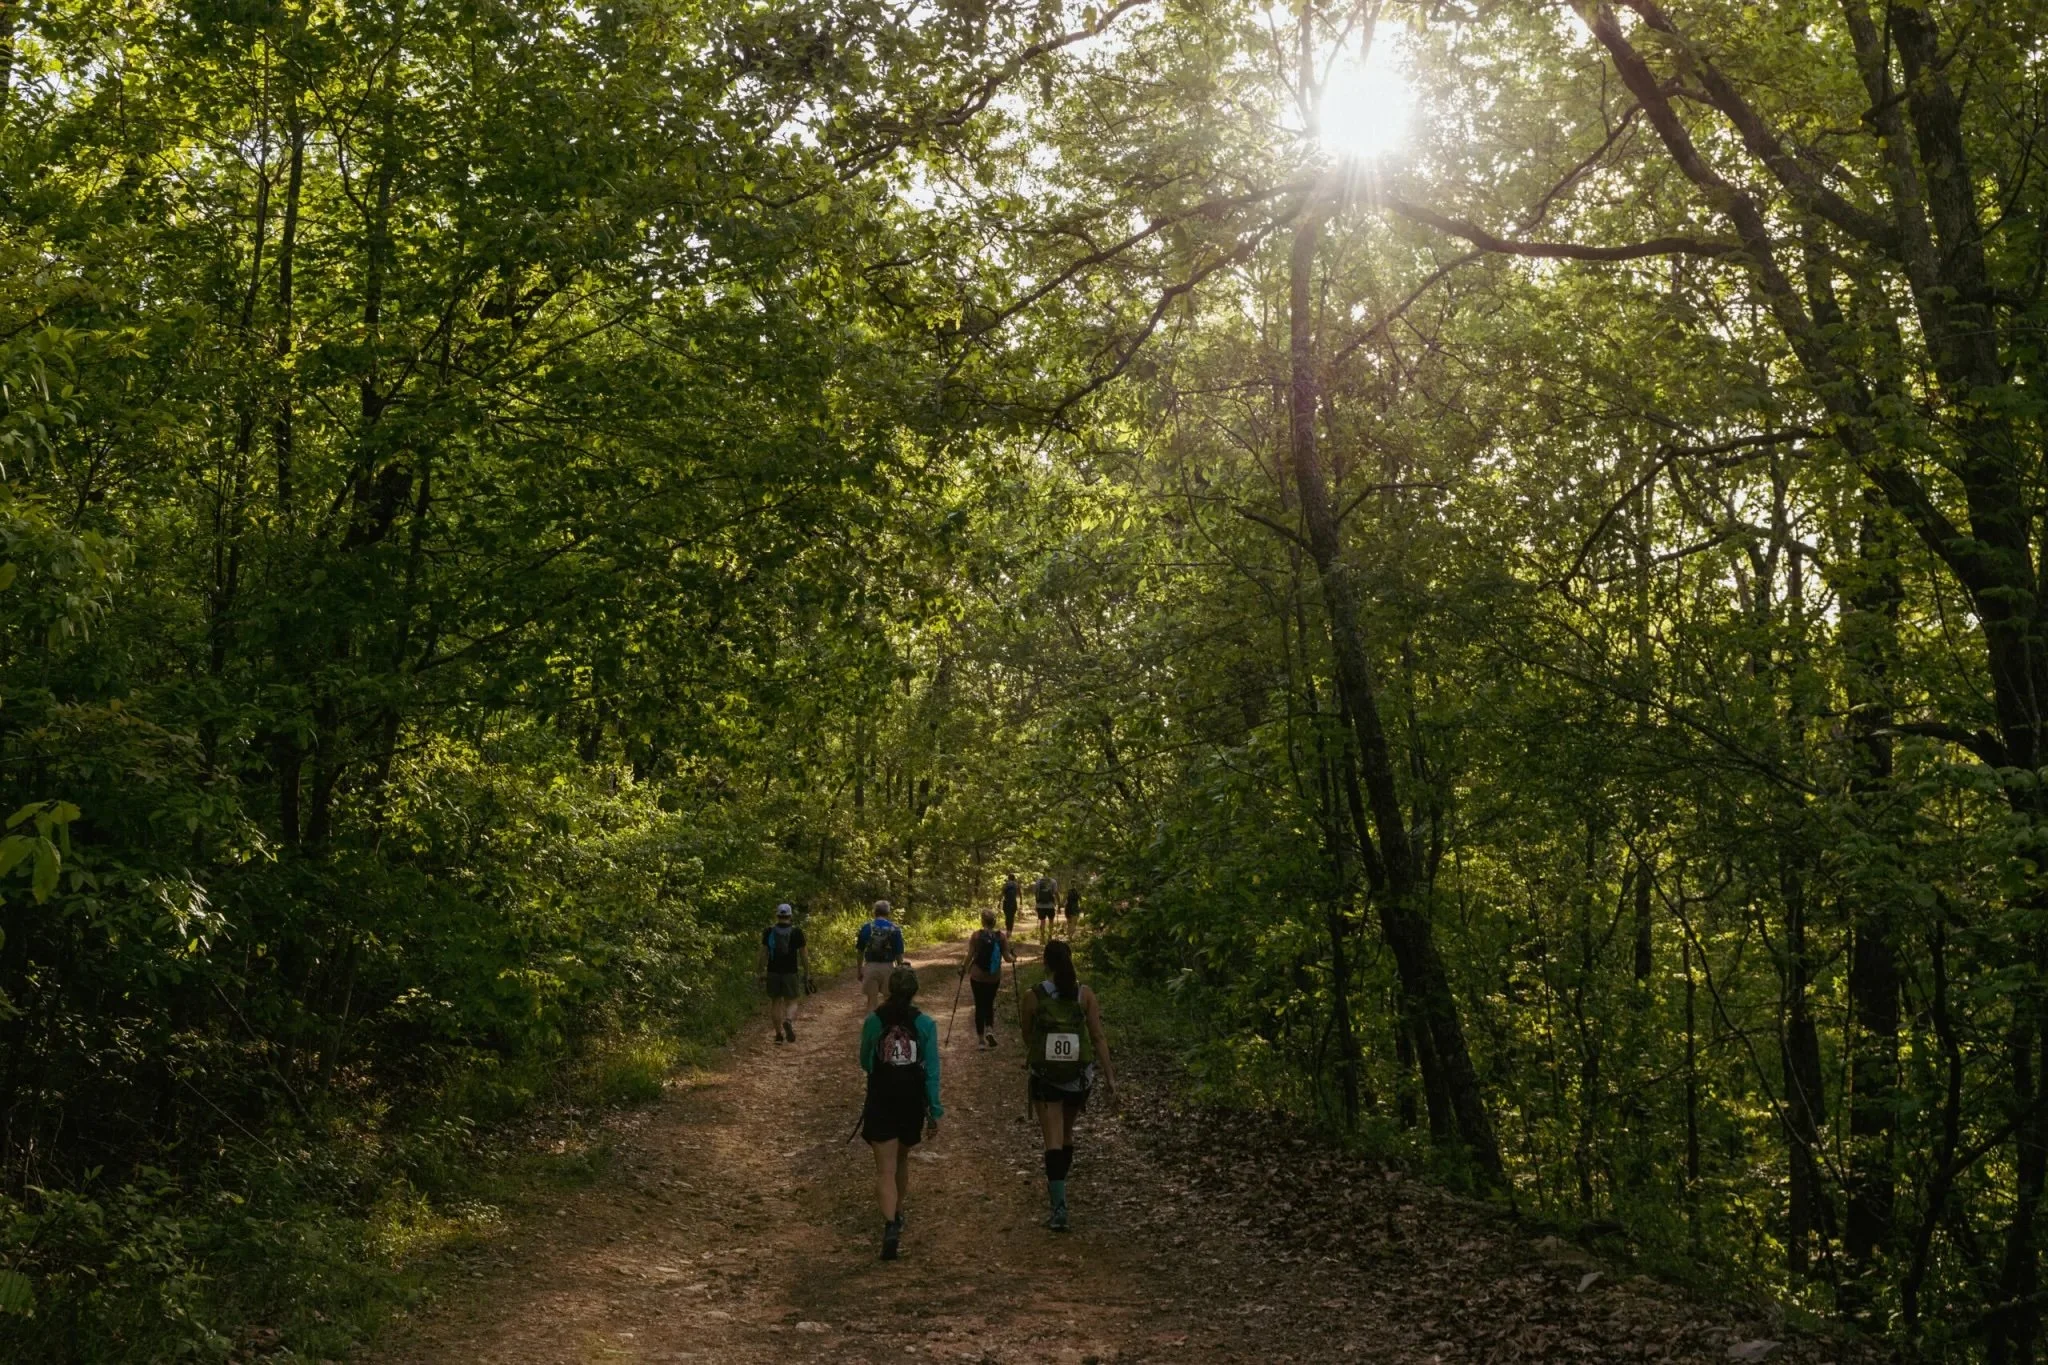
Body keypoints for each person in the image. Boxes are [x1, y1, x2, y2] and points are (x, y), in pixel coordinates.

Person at [1019, 939, 1115, 1231]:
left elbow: (1028, 1036)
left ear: (1045, 963)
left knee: (1053, 1140)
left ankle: (1059, 1206)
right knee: (1067, 1134)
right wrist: (1110, 1076)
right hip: (1078, 1077)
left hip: (1046, 1076)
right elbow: (1098, 1037)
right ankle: (1060, 1186)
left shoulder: (1033, 996)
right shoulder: (1084, 995)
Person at [859, 962, 942, 1261]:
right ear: (915, 992)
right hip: (911, 1101)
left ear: (889, 989)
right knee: (903, 1158)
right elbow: (932, 1071)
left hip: (882, 1098)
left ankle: (891, 1223)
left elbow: (865, 1061)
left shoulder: (874, 1021)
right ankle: (899, 1209)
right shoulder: (926, 1024)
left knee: (885, 1169)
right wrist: (935, 1109)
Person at [962, 908, 1014, 1049]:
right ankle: (990, 1029)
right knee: (989, 1003)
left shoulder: (976, 936)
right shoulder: (1001, 937)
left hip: (977, 976)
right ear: (995, 922)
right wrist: (1014, 958)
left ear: (982, 921)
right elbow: (1008, 958)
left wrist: (963, 968)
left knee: (979, 1005)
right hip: (993, 976)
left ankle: (980, 1041)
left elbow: (970, 955)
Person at [757, 903, 807, 1043]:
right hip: (791, 972)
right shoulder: (797, 932)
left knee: (775, 1002)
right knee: (792, 1001)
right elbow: (803, 955)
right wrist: (807, 972)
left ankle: (778, 1035)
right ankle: (789, 1020)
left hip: (772, 971)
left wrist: (760, 971)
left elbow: (763, 953)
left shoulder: (769, 931)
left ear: (777, 915)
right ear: (790, 916)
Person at [856, 899, 904, 1012]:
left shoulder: (867, 927)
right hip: (888, 968)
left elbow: (860, 951)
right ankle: (887, 1027)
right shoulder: (895, 929)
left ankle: (872, 1027)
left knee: (871, 1002)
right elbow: (899, 955)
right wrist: (901, 971)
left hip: (871, 967)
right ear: (888, 913)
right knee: (888, 1001)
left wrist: (860, 970)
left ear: (875, 912)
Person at [1033, 873, 1058, 941]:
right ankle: (1050, 936)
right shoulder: (1053, 881)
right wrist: (1058, 902)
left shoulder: (1038, 882)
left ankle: (1042, 937)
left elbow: (1035, 893)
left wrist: (1037, 902)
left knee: (1042, 921)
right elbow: (1055, 892)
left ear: (1043, 873)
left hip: (1040, 905)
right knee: (1051, 921)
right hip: (1050, 905)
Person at [1001, 872, 1021, 936]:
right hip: (1013, 903)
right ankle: (1010, 931)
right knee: (1012, 917)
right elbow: (1020, 893)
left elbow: (1002, 893)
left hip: (1006, 902)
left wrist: (999, 902)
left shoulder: (1006, 884)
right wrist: (1021, 901)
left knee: (1007, 916)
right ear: (1014, 878)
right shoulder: (1016, 884)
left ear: (1008, 878)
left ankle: (1007, 930)